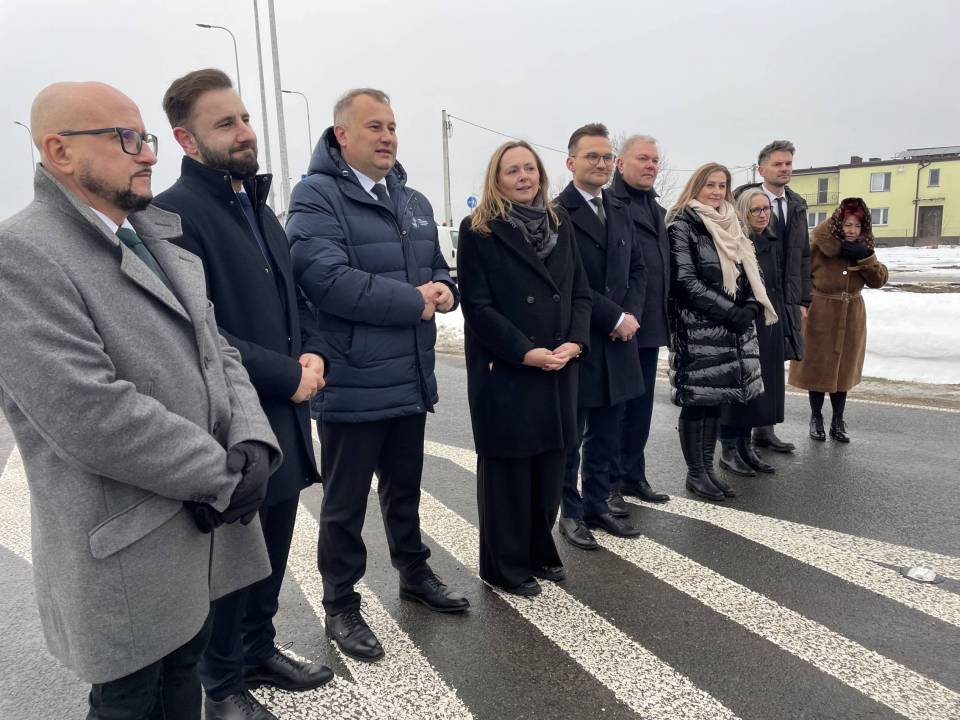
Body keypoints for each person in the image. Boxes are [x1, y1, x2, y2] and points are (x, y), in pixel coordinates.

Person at [0, 82, 281, 720]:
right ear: (60, 152)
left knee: (182, 685)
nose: (148, 153)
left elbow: (219, 350)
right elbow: (91, 413)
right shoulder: (22, 254)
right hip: (127, 556)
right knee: (133, 703)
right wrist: (224, 475)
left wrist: (252, 437)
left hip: (194, 540)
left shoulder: (152, 237)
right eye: (125, 139)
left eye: (145, 137)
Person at [153, 69, 332, 720]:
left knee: (273, 550)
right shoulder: (172, 215)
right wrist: (287, 374)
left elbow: (294, 297)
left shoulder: (256, 207)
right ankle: (222, 684)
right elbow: (196, 328)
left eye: (245, 118)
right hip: (233, 424)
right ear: (186, 139)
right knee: (232, 563)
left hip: (285, 413)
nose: (245, 132)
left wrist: (313, 350)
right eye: (225, 123)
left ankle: (258, 650)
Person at [286, 88, 468, 662]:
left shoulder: (411, 199)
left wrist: (446, 290)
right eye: (374, 127)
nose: (388, 137)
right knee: (344, 504)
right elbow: (327, 281)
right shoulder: (316, 196)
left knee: (405, 489)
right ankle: (341, 603)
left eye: (391, 127)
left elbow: (437, 266)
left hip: (410, 375)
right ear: (342, 135)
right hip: (353, 379)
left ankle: (414, 573)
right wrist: (416, 301)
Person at [457, 140, 591, 594]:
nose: (523, 177)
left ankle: (538, 549)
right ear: (496, 178)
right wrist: (523, 351)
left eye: (529, 168)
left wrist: (576, 341)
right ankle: (505, 565)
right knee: (509, 475)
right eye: (512, 170)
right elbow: (478, 307)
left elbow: (580, 293)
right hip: (508, 368)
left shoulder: (559, 223)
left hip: (558, 365)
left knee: (549, 469)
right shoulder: (478, 230)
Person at [554, 123, 644, 549]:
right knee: (572, 436)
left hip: (620, 339)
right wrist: (614, 316)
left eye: (607, 157)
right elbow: (569, 280)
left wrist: (632, 315)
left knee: (608, 431)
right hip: (583, 337)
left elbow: (638, 269)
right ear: (571, 162)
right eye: (592, 156)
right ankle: (570, 513)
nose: (602, 163)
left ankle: (597, 503)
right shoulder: (558, 213)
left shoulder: (620, 208)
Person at [667, 163, 779, 501]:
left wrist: (751, 306)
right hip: (698, 329)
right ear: (696, 187)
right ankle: (696, 473)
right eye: (710, 185)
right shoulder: (681, 225)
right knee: (697, 403)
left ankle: (708, 470)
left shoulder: (733, 224)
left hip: (732, 330)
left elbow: (750, 273)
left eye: (722, 185)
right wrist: (731, 312)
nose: (717, 192)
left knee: (716, 401)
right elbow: (686, 282)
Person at [788, 198, 888, 442]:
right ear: (838, 224)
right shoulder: (819, 244)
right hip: (820, 313)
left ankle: (838, 420)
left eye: (857, 226)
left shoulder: (864, 247)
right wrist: (803, 301)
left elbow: (878, 280)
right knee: (817, 367)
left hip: (851, 315)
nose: (852, 231)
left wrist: (866, 258)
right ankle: (816, 417)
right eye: (847, 225)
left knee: (844, 368)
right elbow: (801, 273)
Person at [734, 140, 811, 453]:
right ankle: (738, 438)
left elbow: (803, 256)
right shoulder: (743, 201)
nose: (784, 169)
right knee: (753, 363)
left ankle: (764, 430)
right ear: (761, 169)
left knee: (774, 364)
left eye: (788, 163)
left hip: (783, 296)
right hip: (753, 297)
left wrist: (803, 300)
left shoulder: (796, 204)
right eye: (778, 164)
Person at [606, 135, 671, 506]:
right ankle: (610, 483)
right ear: (621, 163)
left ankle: (633, 474)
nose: (651, 166)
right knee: (618, 411)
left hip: (651, 324)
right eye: (643, 158)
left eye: (655, 160)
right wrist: (619, 314)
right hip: (621, 324)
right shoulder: (612, 204)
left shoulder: (657, 209)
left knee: (641, 409)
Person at [718, 189, 785, 477]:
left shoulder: (770, 241)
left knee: (757, 390)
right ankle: (729, 449)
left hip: (766, 322)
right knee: (738, 389)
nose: (762, 214)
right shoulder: (736, 242)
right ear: (743, 213)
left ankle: (745, 447)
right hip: (743, 322)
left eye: (766, 209)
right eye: (755, 210)